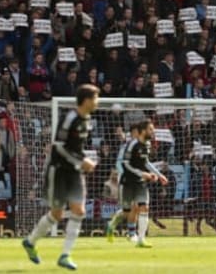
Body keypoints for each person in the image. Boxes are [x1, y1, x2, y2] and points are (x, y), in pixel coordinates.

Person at [22, 85, 99, 270]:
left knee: (79, 211)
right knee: (56, 214)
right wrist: (82, 161)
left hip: (74, 171)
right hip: (58, 170)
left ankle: (65, 255)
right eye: (96, 98)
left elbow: (77, 148)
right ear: (86, 100)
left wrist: (83, 160)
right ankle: (30, 242)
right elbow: (59, 146)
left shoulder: (88, 120)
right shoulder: (70, 118)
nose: (98, 102)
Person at [120, 119, 168, 248]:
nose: (153, 132)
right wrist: (142, 174)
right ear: (143, 131)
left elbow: (146, 163)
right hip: (129, 181)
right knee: (127, 211)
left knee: (143, 207)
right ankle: (113, 224)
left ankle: (140, 239)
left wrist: (159, 175)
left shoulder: (147, 145)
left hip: (141, 181)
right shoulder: (132, 145)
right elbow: (125, 164)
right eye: (151, 129)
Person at [106, 123, 139, 243]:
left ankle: (132, 234)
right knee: (128, 209)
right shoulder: (125, 147)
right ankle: (113, 224)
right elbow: (119, 163)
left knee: (135, 206)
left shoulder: (140, 146)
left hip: (136, 179)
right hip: (125, 179)